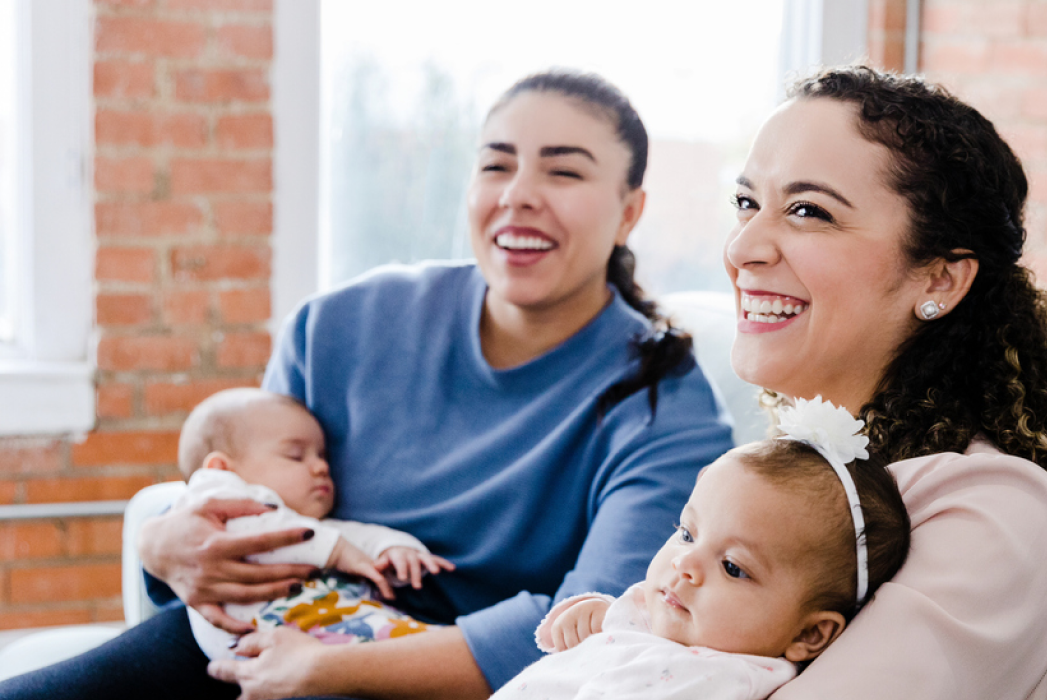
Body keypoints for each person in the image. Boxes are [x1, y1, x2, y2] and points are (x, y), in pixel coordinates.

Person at [0, 69, 734, 700]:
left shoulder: (665, 404)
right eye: (495, 164)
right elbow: (251, 514)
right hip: (254, 648)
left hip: (443, 684)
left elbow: (594, 624)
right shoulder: (341, 326)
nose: (519, 195)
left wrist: (328, 668)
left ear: (629, 210)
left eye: (564, 171)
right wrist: (166, 542)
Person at [723, 66, 1047, 699]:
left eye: (808, 211)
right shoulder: (810, 471)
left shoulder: (996, 511)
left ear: (938, 279)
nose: (743, 248)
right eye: (746, 202)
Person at [493, 398, 910, 700]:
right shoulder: (681, 632)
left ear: (808, 633)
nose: (686, 562)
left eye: (732, 567)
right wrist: (603, 618)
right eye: (687, 533)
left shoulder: (707, 677)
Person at [173, 388, 454, 661]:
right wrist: (340, 552)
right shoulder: (217, 503)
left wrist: (392, 550)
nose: (321, 467)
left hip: (336, 635)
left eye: (322, 456)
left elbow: (351, 536)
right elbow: (269, 533)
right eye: (295, 456)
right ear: (222, 470)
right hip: (273, 643)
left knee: (424, 648)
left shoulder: (316, 529)